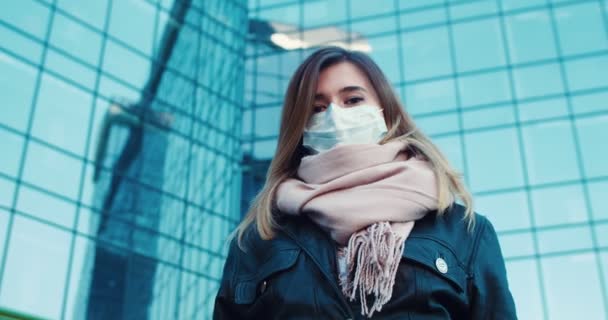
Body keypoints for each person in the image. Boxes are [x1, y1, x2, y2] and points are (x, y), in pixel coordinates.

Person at [213, 46, 517, 319]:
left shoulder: (465, 232)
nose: (334, 115)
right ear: (300, 126)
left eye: (353, 99)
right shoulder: (260, 239)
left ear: (385, 108)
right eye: (317, 108)